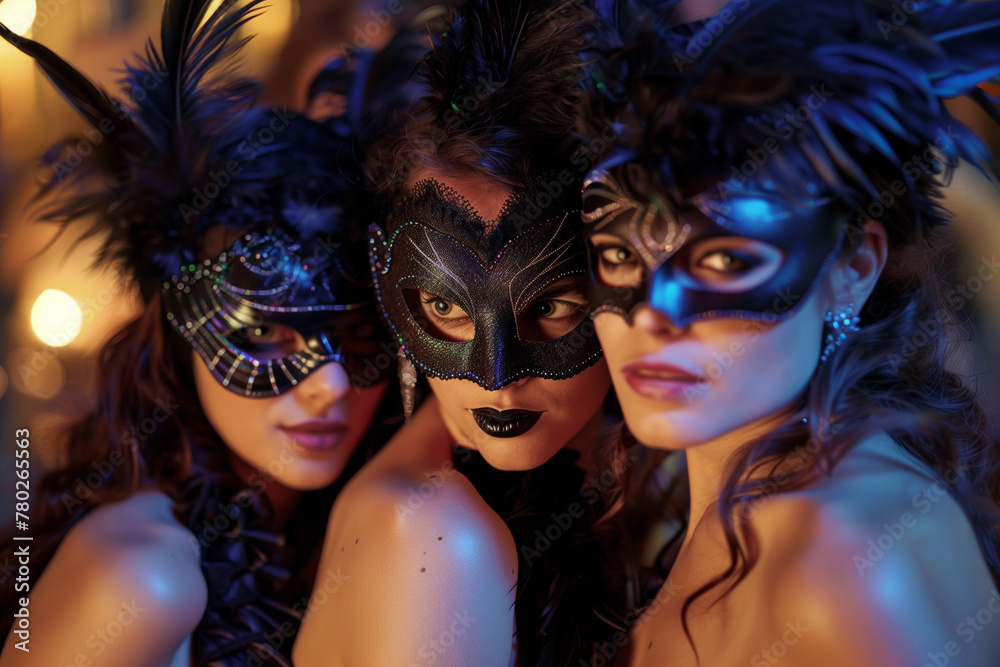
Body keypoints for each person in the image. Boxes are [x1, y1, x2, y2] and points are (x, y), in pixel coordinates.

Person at [578, 0, 1000, 664]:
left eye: (726, 260)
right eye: (621, 254)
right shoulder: (775, 502)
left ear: (853, 268)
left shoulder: (835, 548)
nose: (654, 313)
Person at [0, 1, 411, 664]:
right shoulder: (142, 576)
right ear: (180, 328)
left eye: (361, 332)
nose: (328, 387)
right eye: (265, 335)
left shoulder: (329, 534)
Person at [293, 1, 628, 665]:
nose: (495, 375)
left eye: (553, 305)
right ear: (385, 275)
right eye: (445, 308)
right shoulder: (438, 536)